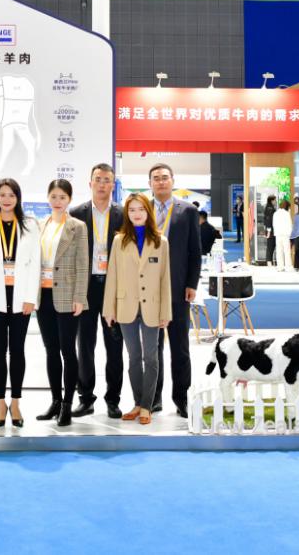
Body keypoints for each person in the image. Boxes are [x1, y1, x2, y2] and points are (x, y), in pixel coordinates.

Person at [0, 178, 40, 428]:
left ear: (18, 198)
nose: (6, 199)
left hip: (22, 297)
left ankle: (16, 402)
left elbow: (35, 263)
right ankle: (0, 403)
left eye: (11, 195)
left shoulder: (30, 225)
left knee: (18, 350)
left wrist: (31, 297)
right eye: (2, 194)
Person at [103, 194, 171, 426]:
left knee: (151, 357)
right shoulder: (119, 241)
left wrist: (166, 312)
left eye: (141, 209)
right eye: (131, 210)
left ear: (148, 212)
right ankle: (137, 402)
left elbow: (165, 280)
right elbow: (112, 276)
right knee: (133, 357)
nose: (136, 214)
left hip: (152, 306)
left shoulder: (160, 241)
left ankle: (147, 406)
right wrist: (109, 309)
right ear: (127, 214)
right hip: (126, 306)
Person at [69, 163, 126, 419]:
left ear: (113, 185)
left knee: (114, 345)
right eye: (98, 179)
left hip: (113, 287)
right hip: (86, 286)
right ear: (90, 183)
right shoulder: (76, 213)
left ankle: (113, 399)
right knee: (85, 345)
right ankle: (85, 398)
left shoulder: (123, 215)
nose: (102, 184)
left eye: (107, 180)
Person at [32, 178, 88, 427]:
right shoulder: (39, 225)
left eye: (62, 197)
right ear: (48, 198)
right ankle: (55, 401)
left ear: (69, 200)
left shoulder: (78, 227)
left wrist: (79, 297)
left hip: (67, 296)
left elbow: (83, 264)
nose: (57, 201)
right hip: (43, 296)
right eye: (53, 196)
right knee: (51, 350)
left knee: (68, 351)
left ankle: (67, 404)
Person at [148, 163, 202, 418]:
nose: (161, 182)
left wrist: (192, 283)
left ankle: (182, 398)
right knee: (152, 348)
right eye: (156, 178)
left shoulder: (187, 211)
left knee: (180, 347)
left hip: (178, 288)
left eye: (164, 178)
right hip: (148, 290)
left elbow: (195, 251)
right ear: (150, 183)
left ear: (173, 180)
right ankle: (153, 398)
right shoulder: (142, 209)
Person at [263, 196, 277, 265]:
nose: (276, 201)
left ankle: (269, 262)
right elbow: (269, 220)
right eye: (275, 200)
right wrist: (268, 231)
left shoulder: (268, 207)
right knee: (270, 246)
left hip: (270, 230)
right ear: (272, 200)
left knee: (270, 246)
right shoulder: (270, 208)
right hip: (271, 231)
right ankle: (269, 262)